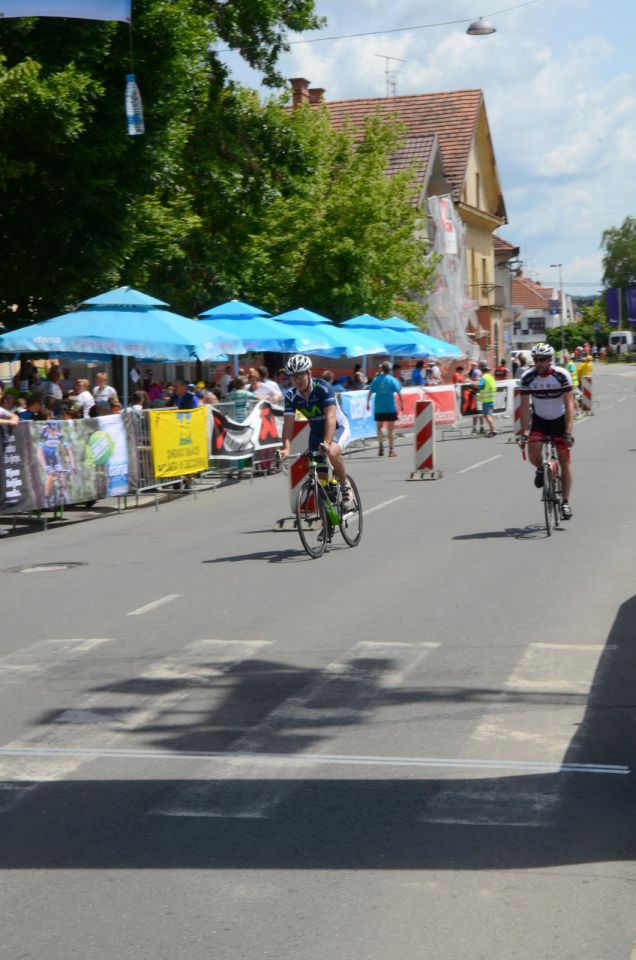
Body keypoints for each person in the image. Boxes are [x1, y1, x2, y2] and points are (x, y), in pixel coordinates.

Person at [279, 354, 352, 503]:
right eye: (293, 377)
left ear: (309, 373)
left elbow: (331, 418)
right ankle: (328, 518)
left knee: (331, 452)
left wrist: (326, 441)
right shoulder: (291, 396)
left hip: (338, 428)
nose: (297, 381)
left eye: (300, 376)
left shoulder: (323, 388)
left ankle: (345, 485)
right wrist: (286, 448)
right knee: (322, 479)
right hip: (316, 433)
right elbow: (288, 424)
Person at [518, 342, 574, 520]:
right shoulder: (528, 377)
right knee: (533, 453)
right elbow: (525, 407)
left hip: (560, 420)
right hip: (540, 420)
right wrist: (524, 433)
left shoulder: (561, 375)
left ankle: (565, 502)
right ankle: (542, 468)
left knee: (564, 460)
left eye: (542, 360)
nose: (539, 363)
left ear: (550, 360)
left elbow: (569, 405)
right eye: (536, 360)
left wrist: (569, 432)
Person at [367, 361, 404, 457]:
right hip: (390, 408)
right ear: (390, 370)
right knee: (391, 429)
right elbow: (399, 392)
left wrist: (367, 403)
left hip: (379, 408)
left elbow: (370, 392)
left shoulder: (376, 380)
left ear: (381, 369)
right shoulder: (392, 380)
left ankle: (380, 446)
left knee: (379, 427)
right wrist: (402, 404)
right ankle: (391, 450)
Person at [477, 364, 498, 437]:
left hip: (486, 400)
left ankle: (493, 430)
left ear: (482, 371)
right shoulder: (491, 377)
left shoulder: (484, 377)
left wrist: (472, 383)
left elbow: (480, 386)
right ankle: (492, 430)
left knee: (487, 416)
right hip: (491, 398)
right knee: (489, 415)